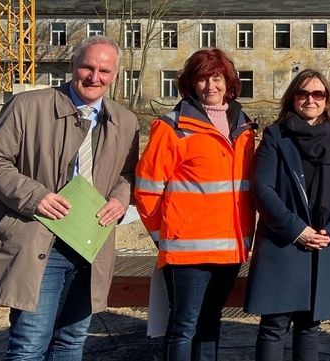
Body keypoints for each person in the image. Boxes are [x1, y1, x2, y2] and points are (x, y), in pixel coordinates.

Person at [0, 35, 139, 360]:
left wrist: (120, 200)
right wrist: (36, 197)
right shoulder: (27, 107)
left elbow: (128, 174)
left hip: (90, 243)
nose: (94, 77)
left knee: (71, 344)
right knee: (29, 346)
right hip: (40, 243)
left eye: (104, 71)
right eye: (87, 67)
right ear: (73, 65)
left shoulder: (125, 121)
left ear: (115, 74)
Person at [134, 48, 256, 361]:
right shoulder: (172, 128)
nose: (210, 86)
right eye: (202, 79)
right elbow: (147, 189)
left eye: (217, 78)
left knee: (211, 322)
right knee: (184, 326)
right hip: (188, 250)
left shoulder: (244, 128)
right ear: (191, 83)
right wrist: (163, 237)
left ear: (229, 83)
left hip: (230, 249)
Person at [245, 69, 330, 361]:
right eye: (303, 93)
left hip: (322, 245)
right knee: (274, 324)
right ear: (293, 98)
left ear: (327, 100)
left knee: (309, 326)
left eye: (318, 94)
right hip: (283, 242)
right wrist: (298, 230)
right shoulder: (276, 137)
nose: (310, 100)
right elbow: (263, 188)